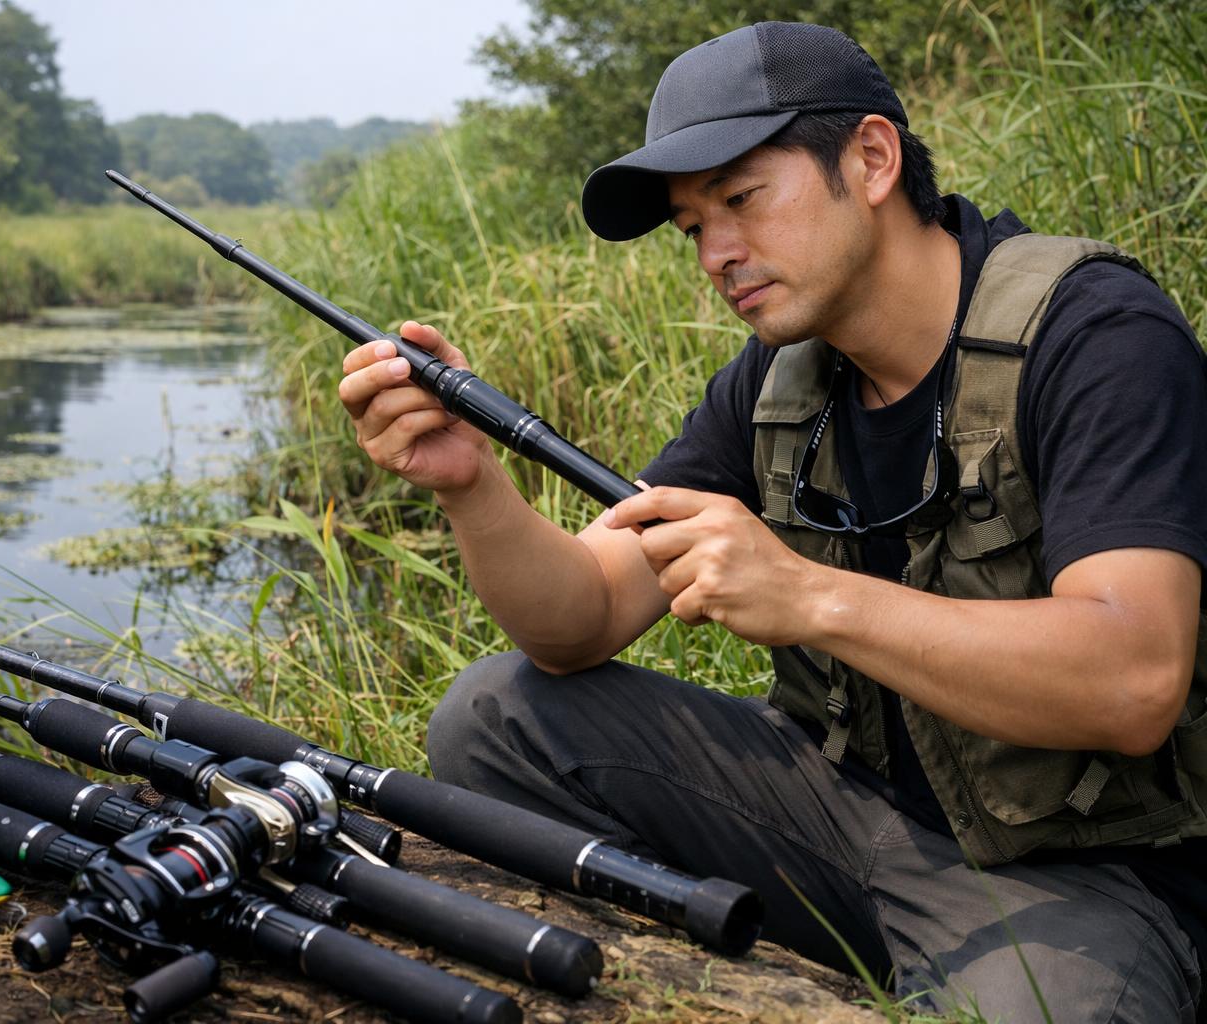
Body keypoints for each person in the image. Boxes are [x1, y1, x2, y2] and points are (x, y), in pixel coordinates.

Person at [337, 21, 1207, 1023]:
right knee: (492, 718)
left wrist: (809, 595)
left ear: (872, 159)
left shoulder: (1095, 337)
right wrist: (470, 484)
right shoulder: (780, 377)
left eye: (743, 199)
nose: (718, 253)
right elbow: (578, 619)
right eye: (692, 226)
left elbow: (1134, 677)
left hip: (1085, 871)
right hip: (845, 815)